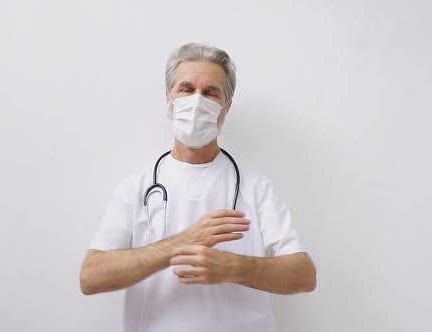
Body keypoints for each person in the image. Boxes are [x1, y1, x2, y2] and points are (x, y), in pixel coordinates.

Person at [80, 43, 316, 332]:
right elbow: (91, 277)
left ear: (226, 107)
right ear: (169, 99)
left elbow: (304, 275)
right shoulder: (135, 188)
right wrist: (184, 241)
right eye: (186, 89)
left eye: (210, 92)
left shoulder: (257, 188)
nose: (196, 101)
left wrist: (233, 267)